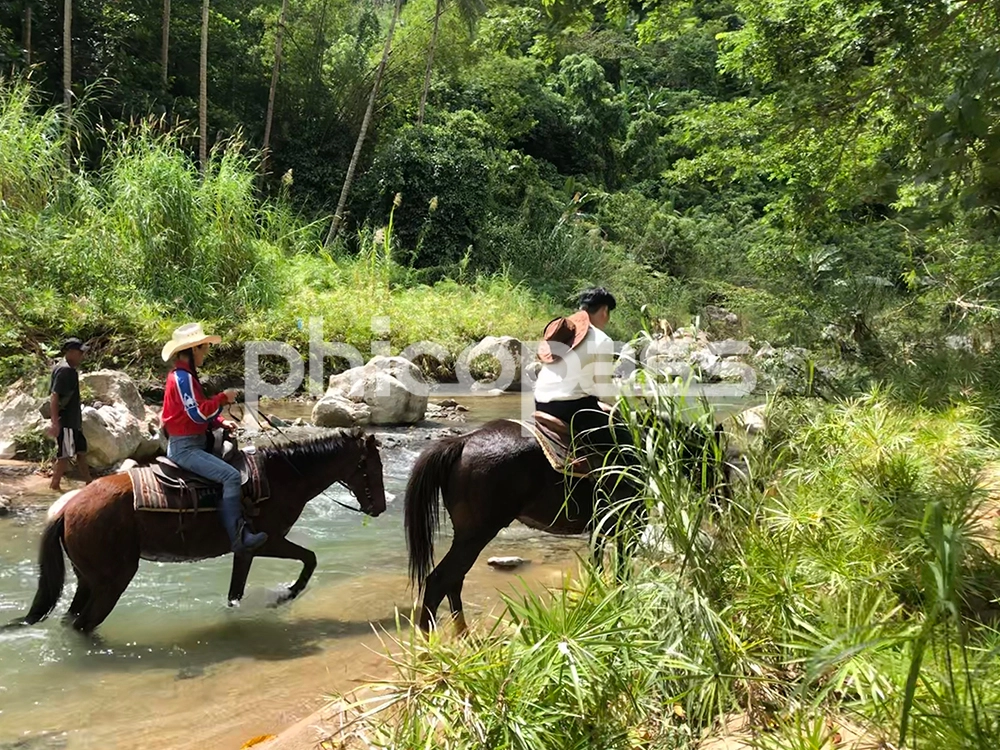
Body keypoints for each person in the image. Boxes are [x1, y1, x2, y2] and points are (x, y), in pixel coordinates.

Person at [160, 323, 267, 554]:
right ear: (192, 350)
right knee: (230, 476)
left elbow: (194, 413)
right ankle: (239, 537)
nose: (206, 353)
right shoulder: (182, 378)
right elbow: (196, 413)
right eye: (204, 348)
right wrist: (222, 399)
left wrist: (219, 421)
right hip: (185, 448)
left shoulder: (185, 376)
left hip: (192, 440)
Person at [534, 287, 620, 456]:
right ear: (604, 311)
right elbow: (603, 390)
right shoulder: (602, 340)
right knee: (625, 443)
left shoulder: (564, 333)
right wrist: (619, 403)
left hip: (539, 402)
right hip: (573, 410)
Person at [47, 338, 93, 491]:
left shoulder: (64, 368)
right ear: (71, 352)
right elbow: (55, 395)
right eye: (80, 352)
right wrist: (55, 422)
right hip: (66, 421)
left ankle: (89, 483)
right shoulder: (66, 370)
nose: (82, 356)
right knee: (65, 455)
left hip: (73, 420)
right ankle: (54, 486)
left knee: (81, 450)